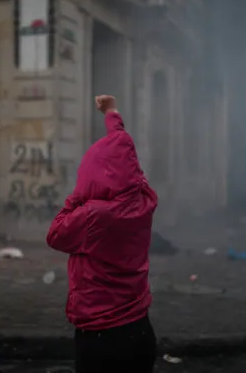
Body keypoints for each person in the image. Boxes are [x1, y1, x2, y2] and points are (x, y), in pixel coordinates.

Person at [46, 95, 158, 373]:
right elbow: (124, 149)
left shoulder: (94, 216)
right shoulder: (143, 198)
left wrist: (77, 196)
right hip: (139, 329)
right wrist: (112, 114)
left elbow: (55, 234)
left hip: (101, 339)